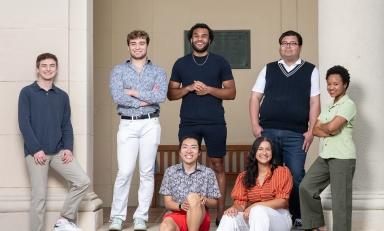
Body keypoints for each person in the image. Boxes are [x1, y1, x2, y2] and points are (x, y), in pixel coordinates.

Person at [249, 30, 320, 226]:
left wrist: (311, 130)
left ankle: (298, 216)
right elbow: (255, 97)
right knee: (270, 174)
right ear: (280, 46)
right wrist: (255, 125)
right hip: (268, 132)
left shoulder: (311, 70)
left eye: (293, 43)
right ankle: (275, 216)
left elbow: (314, 102)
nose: (288, 46)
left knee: (296, 175)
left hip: (296, 134)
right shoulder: (269, 68)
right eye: (284, 43)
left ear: (299, 47)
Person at [167, 23, 236, 224]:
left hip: (215, 121)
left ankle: (220, 213)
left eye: (204, 36)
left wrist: (209, 90)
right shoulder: (181, 64)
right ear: (191, 40)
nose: (199, 38)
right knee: (188, 164)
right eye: (196, 35)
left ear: (209, 40)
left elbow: (231, 92)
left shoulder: (220, 62)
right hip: (188, 121)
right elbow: (171, 94)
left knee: (217, 165)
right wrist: (187, 88)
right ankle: (187, 211)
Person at [18, 53, 90, 231]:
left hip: (58, 151)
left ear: (56, 69)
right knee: (39, 196)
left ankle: (64, 220)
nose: (48, 69)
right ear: (37, 69)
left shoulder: (62, 96)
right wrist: (36, 149)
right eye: (44, 65)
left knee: (82, 181)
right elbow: (24, 123)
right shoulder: (27, 93)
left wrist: (68, 148)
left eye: (52, 65)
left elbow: (66, 124)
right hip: (36, 154)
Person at [108, 30, 168, 230]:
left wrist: (132, 92)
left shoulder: (158, 71)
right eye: (133, 43)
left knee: (147, 172)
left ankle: (140, 217)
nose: (137, 47)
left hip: (151, 123)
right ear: (128, 46)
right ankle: (117, 216)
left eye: (141, 43)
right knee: (124, 172)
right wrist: (143, 100)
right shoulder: (118, 70)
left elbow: (160, 96)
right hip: (127, 124)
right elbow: (117, 96)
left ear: (147, 45)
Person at [299, 65, 357, 231]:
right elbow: (316, 129)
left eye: (336, 84)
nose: (331, 87)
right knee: (306, 187)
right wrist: (327, 128)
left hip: (343, 157)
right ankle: (317, 226)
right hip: (326, 155)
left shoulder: (349, 104)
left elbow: (329, 128)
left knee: (341, 202)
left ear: (345, 85)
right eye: (329, 84)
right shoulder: (328, 104)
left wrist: (326, 128)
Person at [217, 137, 293, 231]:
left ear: (272, 153)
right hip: (254, 219)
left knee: (258, 211)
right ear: (254, 152)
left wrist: (255, 206)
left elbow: (282, 201)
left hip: (279, 218)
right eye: (260, 149)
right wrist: (233, 208)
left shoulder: (281, 171)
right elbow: (240, 203)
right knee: (228, 217)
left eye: (268, 149)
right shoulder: (244, 176)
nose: (264, 153)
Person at [159, 136, 221, 231]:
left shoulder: (208, 173)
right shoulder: (170, 172)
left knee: (193, 197)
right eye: (185, 147)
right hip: (177, 214)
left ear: (199, 152)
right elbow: (168, 203)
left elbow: (215, 203)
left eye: (193, 147)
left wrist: (205, 200)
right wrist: (180, 206)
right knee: (165, 227)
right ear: (180, 152)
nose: (189, 151)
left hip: (199, 216)